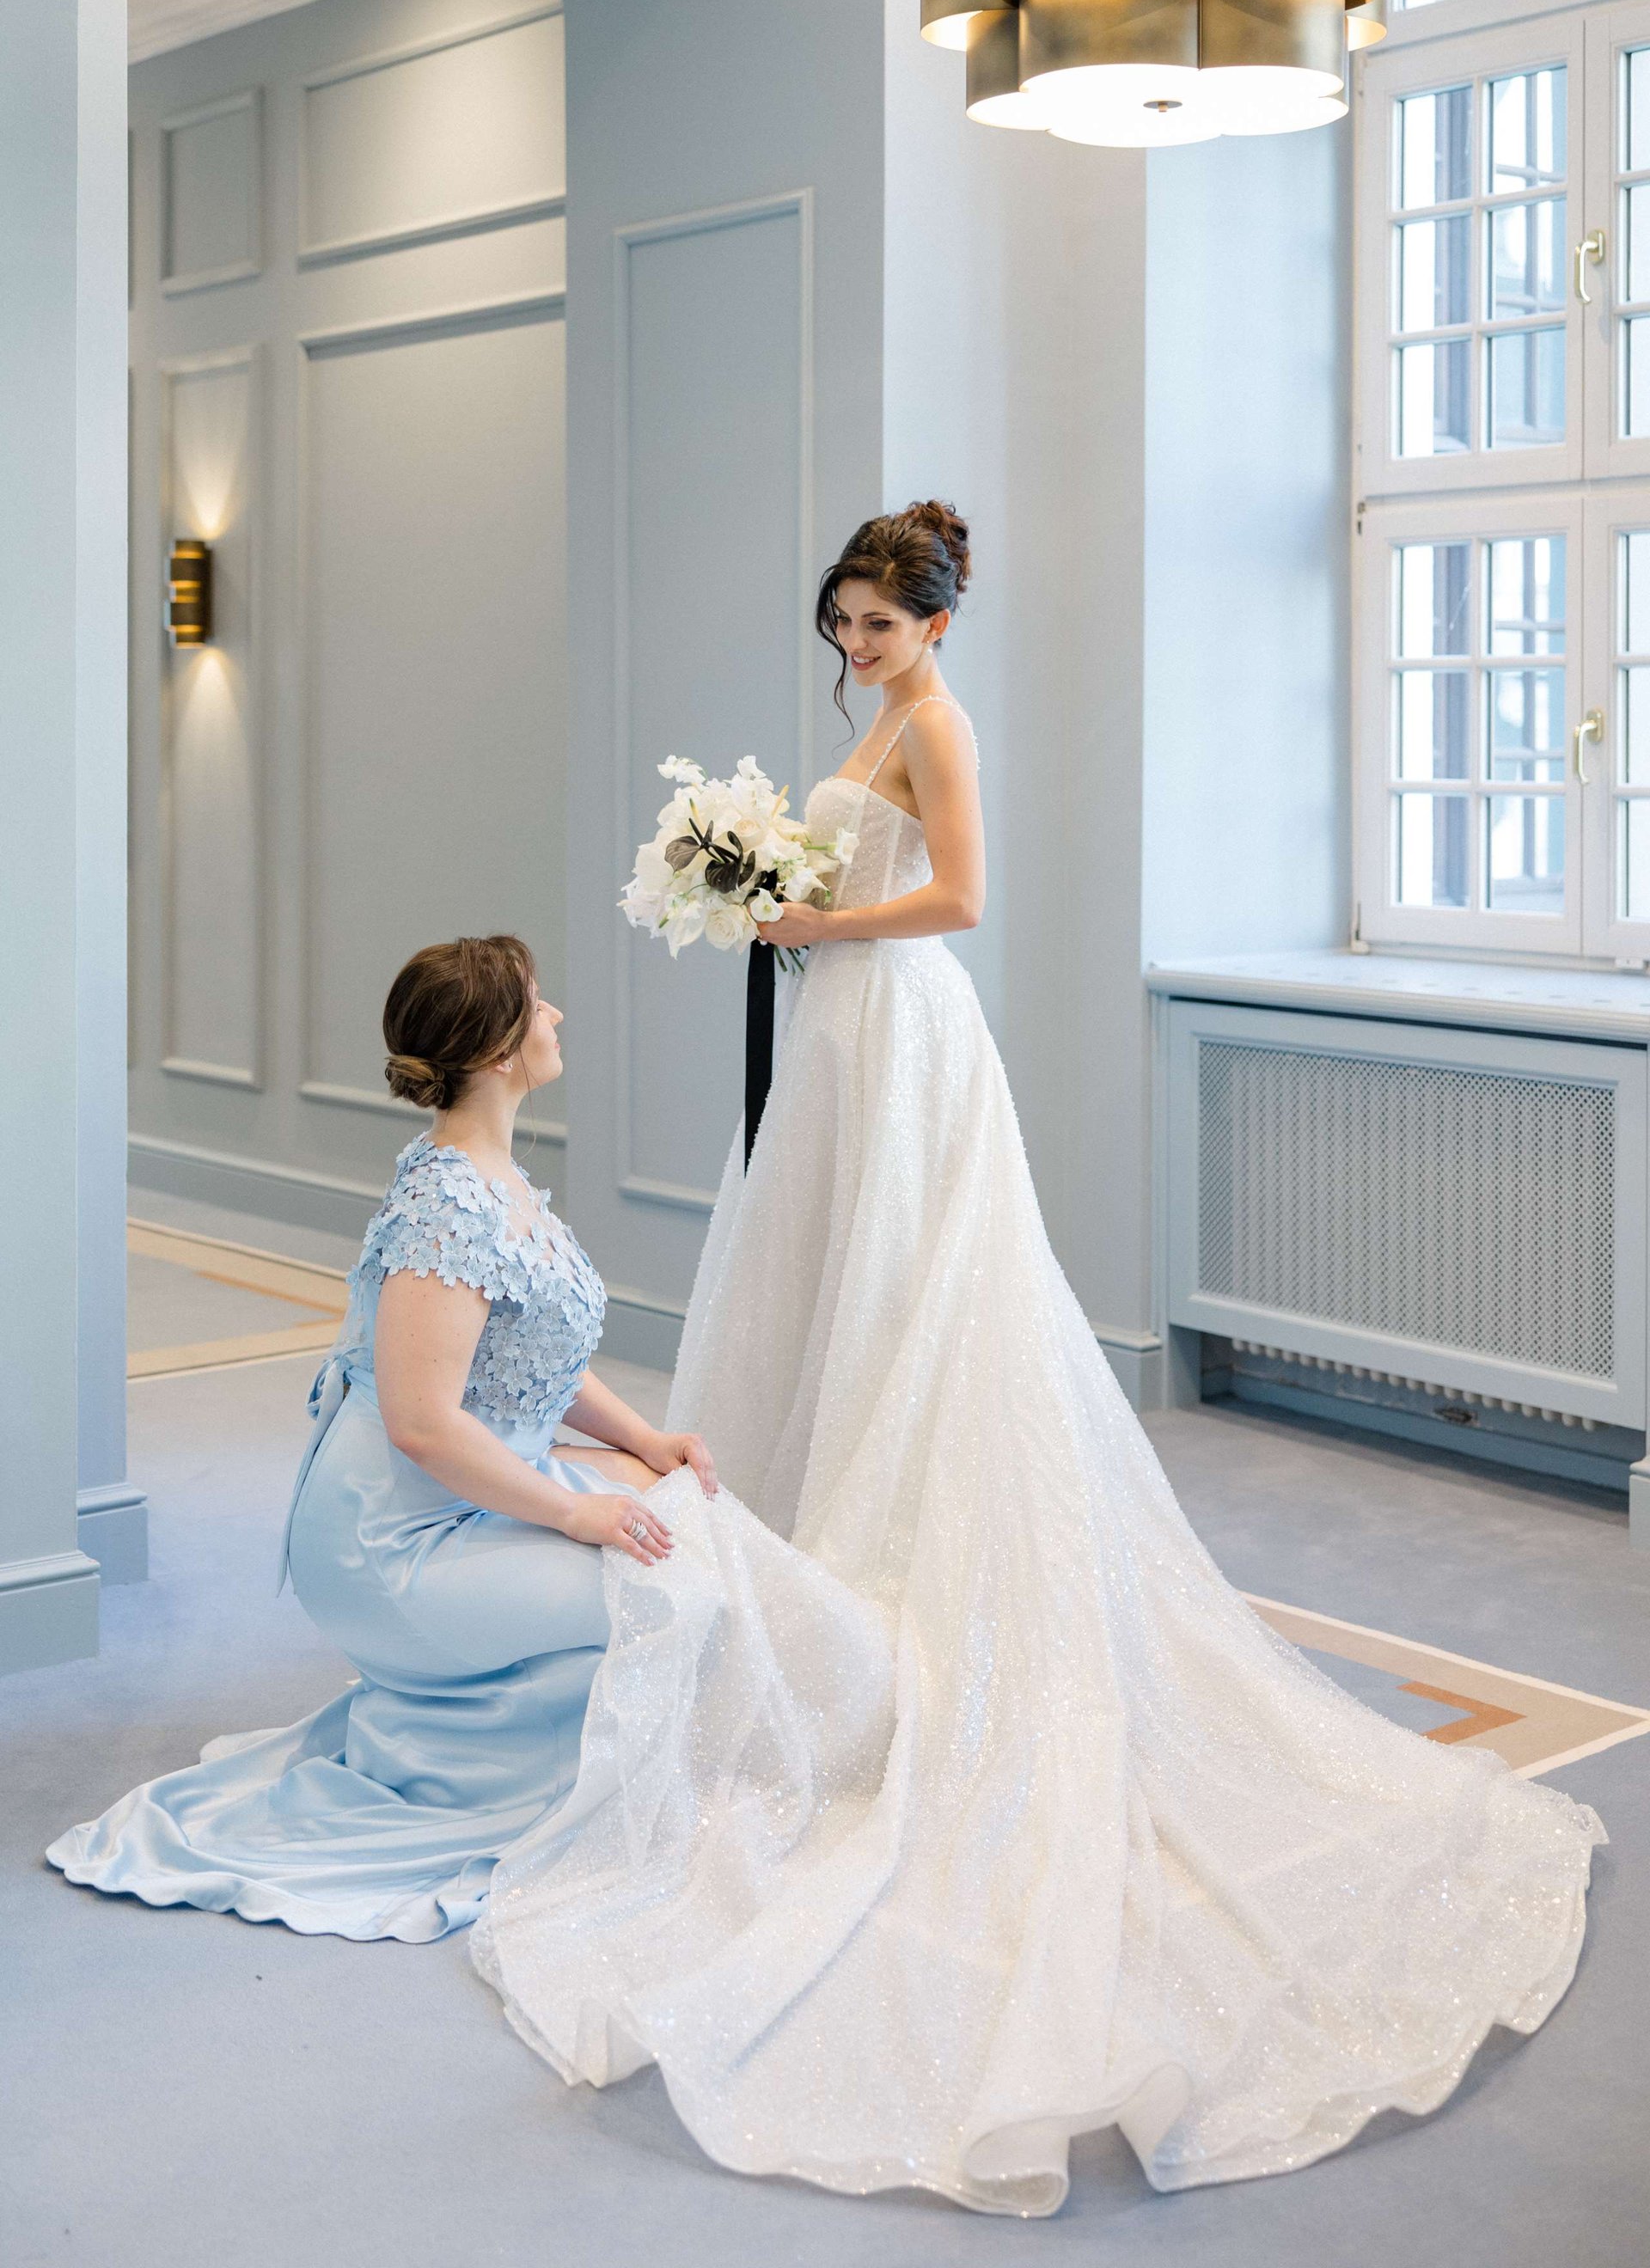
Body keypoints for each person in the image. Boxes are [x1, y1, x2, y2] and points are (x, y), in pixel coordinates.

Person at [474, 505, 1607, 2211]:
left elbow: (962, 898)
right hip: (841, 1035)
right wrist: (770, 892)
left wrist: (809, 925)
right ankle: (801, 1606)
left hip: (900, 1026)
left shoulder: (938, 723)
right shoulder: (880, 716)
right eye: (843, 621)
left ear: (936, 621)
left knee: (925, 1311)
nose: (856, 644)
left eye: (878, 623)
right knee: (824, 1294)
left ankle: (895, 1621)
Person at [49, 934, 715, 1941]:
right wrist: (576, 1514)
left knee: (672, 1504)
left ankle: (526, 1742)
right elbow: (422, 1424)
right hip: (391, 1545)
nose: (557, 1017)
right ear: (497, 1052)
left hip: (463, 1492)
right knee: (666, 1587)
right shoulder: (448, 1207)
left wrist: (648, 1440)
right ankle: (509, 1785)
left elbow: (533, 1355)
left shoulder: (488, 1176)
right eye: (538, 1004)